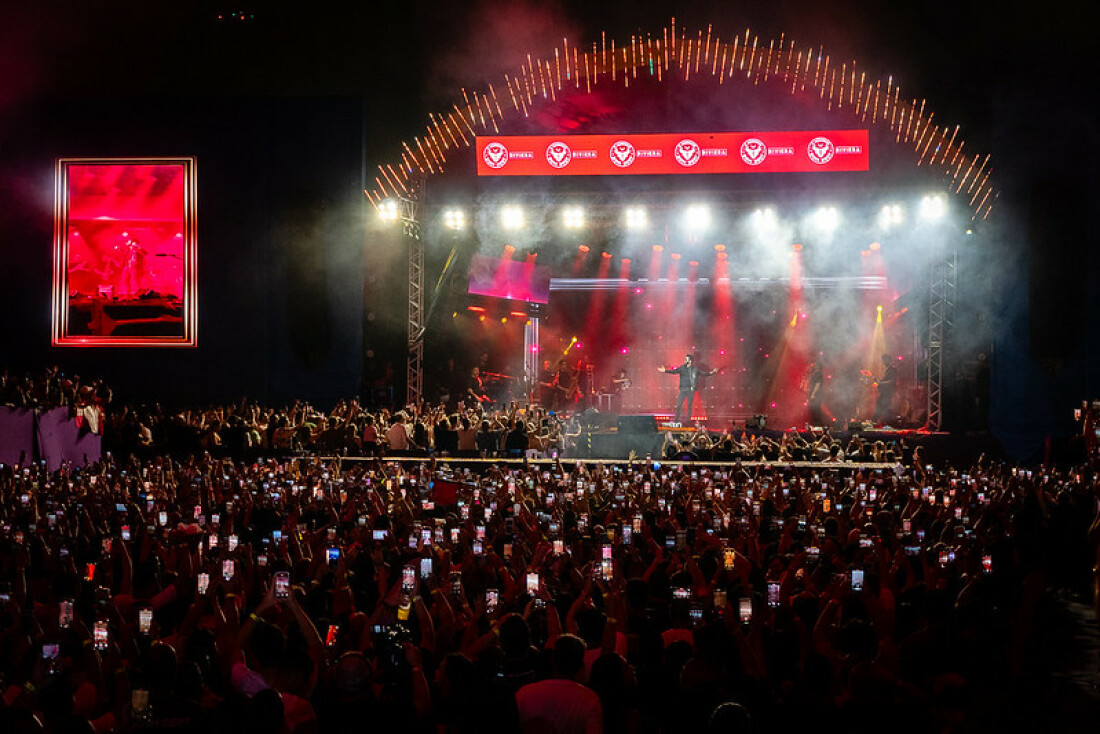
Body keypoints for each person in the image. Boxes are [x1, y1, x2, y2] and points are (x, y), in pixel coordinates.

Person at [657, 354, 716, 424]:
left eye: (686, 359)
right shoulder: (682, 368)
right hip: (683, 390)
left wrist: (712, 372)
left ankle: (688, 421)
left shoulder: (695, 369)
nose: (684, 360)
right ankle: (676, 420)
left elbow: (704, 374)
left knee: (689, 406)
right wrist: (665, 371)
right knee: (679, 405)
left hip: (691, 390)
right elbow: (674, 371)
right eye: (685, 359)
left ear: (690, 361)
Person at [874, 354, 898, 424]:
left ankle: (878, 421)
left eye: (884, 360)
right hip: (886, 392)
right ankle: (882, 422)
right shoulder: (890, 369)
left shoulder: (892, 368)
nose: (884, 362)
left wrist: (880, 383)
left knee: (882, 406)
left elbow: (892, 381)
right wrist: (879, 382)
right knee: (883, 407)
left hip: (888, 392)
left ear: (888, 359)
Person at [804, 361, 826, 427]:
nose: (813, 366)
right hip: (812, 395)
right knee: (812, 411)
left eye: (815, 364)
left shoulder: (819, 374)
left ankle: (818, 426)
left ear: (818, 366)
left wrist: (813, 394)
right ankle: (815, 426)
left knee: (816, 411)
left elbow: (817, 385)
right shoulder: (814, 374)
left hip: (816, 396)